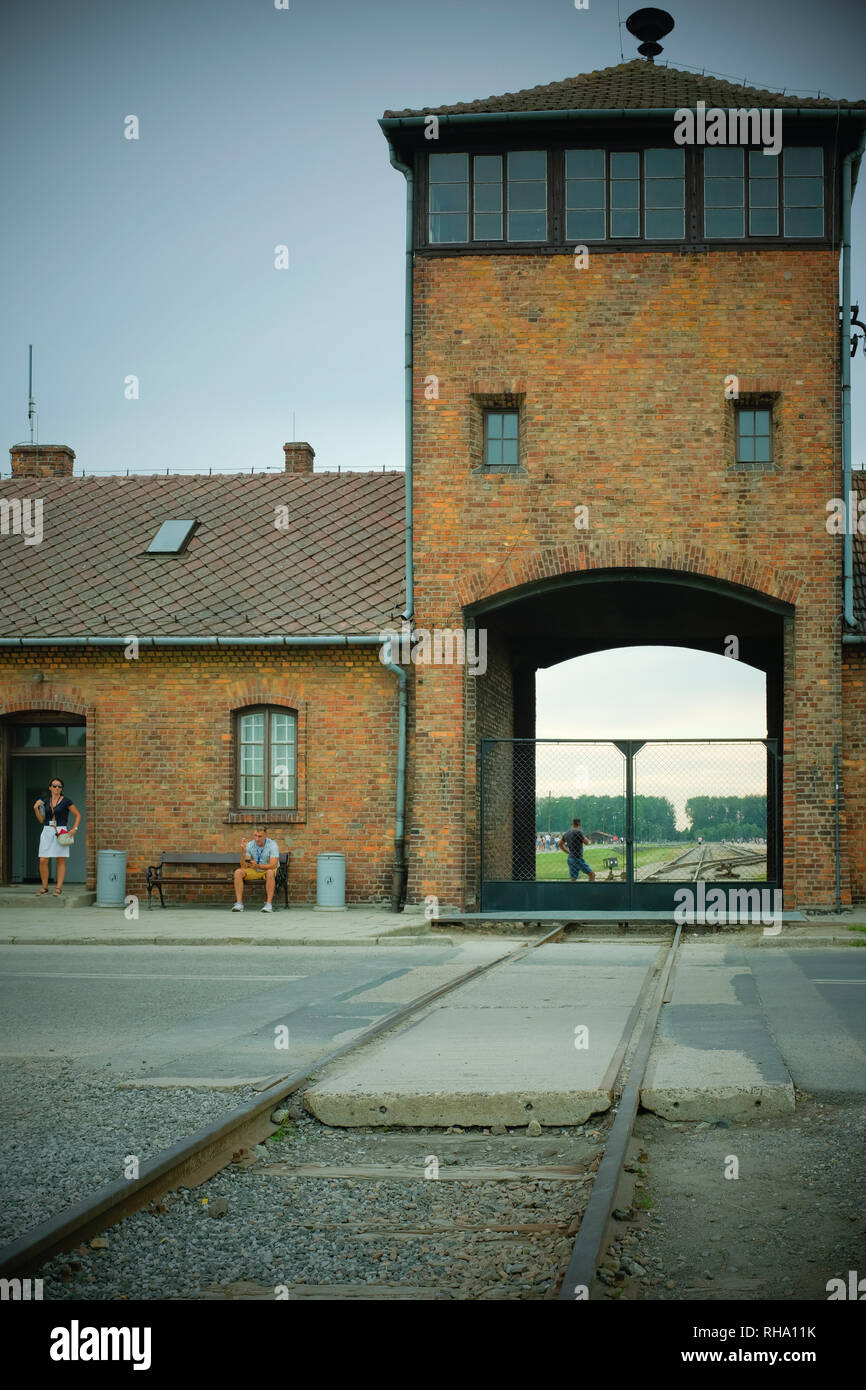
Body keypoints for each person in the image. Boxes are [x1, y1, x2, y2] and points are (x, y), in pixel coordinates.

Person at [33, 777, 82, 896]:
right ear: (50, 787)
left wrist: (74, 829)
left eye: (59, 786)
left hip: (61, 830)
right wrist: (36, 808)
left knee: (61, 859)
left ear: (61, 788)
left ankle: (58, 888)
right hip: (47, 831)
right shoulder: (45, 802)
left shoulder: (66, 801)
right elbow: (41, 820)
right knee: (43, 860)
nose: (57, 788)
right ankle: (44, 887)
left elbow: (78, 815)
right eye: (54, 786)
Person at [233, 826, 280, 911]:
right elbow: (244, 866)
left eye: (260, 836)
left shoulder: (272, 844)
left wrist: (258, 866)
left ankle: (269, 904)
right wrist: (243, 851)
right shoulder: (250, 845)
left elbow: (274, 865)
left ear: (266, 835)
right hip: (255, 870)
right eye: (255, 836)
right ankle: (239, 904)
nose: (257, 839)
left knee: (270, 872)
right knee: (238, 872)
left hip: (268, 869)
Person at [558, 817, 596, 882]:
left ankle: (572, 890)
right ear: (579, 824)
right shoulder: (578, 832)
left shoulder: (567, 833)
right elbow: (586, 842)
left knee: (573, 878)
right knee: (592, 875)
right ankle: (589, 890)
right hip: (577, 858)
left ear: (572, 824)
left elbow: (560, 844)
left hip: (570, 858)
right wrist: (585, 837)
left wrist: (568, 852)